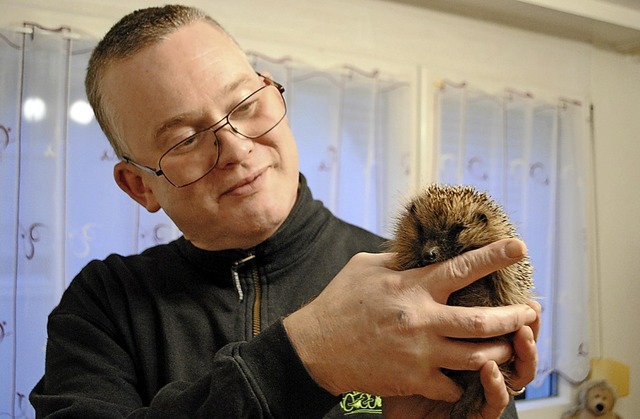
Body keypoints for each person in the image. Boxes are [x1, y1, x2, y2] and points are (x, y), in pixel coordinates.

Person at [30, 5, 540, 418]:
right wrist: (306, 359)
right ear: (139, 185)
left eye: (246, 104)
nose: (235, 147)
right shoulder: (102, 308)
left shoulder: (420, 281)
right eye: (185, 139)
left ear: (273, 92)